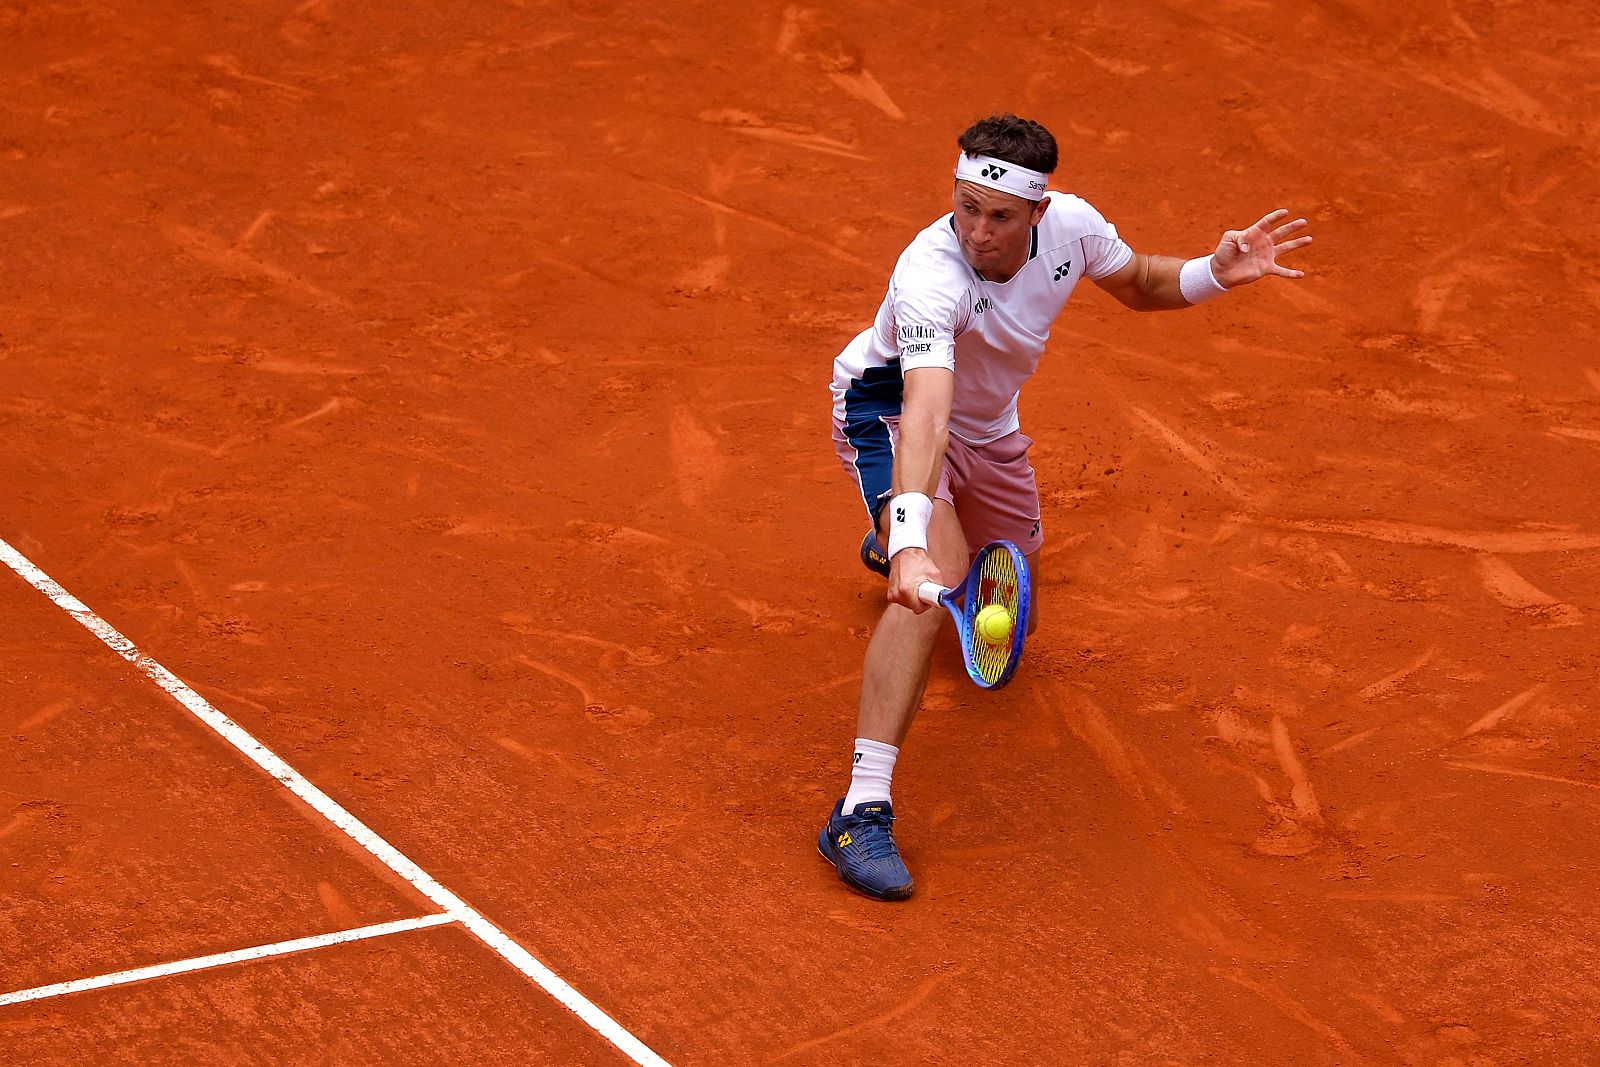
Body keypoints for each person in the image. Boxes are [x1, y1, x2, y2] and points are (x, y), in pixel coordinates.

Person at [819, 113, 1312, 901]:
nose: (978, 231)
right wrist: (913, 536)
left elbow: (1141, 282)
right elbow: (927, 416)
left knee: (1014, 618)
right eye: (966, 206)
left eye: (1000, 216)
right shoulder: (930, 276)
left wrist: (1214, 272)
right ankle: (859, 809)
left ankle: (900, 536)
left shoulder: (1072, 229)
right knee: (934, 566)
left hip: (991, 428)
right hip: (891, 413)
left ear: (1038, 212)